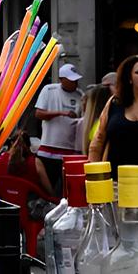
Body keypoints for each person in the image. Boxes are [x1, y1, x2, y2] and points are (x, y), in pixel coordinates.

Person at [89, 54, 138, 223]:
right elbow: (97, 141)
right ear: (129, 78)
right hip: (116, 179)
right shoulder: (114, 103)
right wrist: (94, 180)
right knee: (118, 232)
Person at [34, 63, 84, 192]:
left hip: (71, 151)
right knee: (47, 189)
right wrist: (61, 113)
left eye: (76, 80)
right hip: (48, 150)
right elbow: (39, 114)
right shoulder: (49, 90)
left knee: (68, 190)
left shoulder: (80, 95)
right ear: (62, 79)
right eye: (72, 80)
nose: (75, 83)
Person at [0, 131, 56, 222]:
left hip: (3, 211)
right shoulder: (36, 163)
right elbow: (49, 191)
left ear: (11, 143)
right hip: (30, 213)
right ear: (29, 146)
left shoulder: (0, 161)